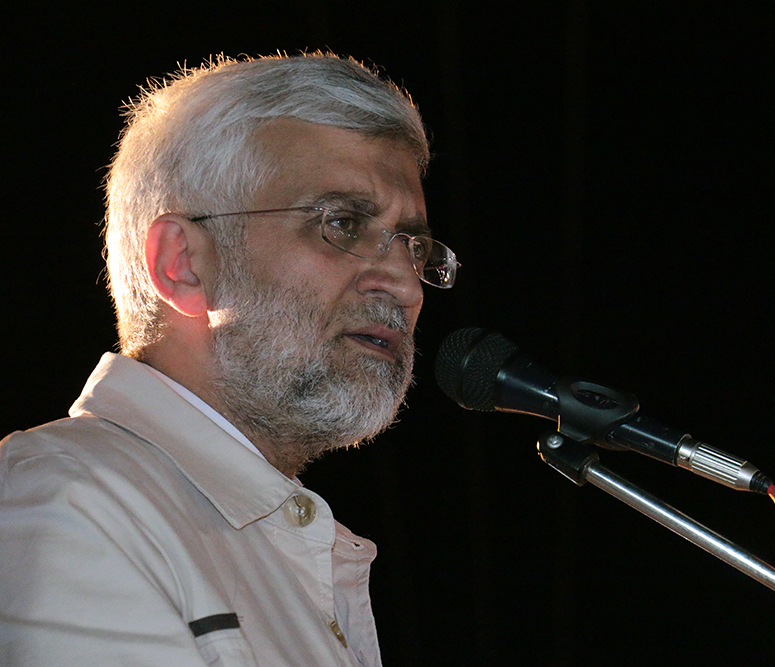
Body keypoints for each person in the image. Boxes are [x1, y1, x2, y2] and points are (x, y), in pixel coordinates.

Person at [0, 53, 458, 667]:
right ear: (182, 264)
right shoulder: (63, 502)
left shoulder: (290, 542)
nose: (404, 284)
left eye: (416, 247)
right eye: (342, 223)